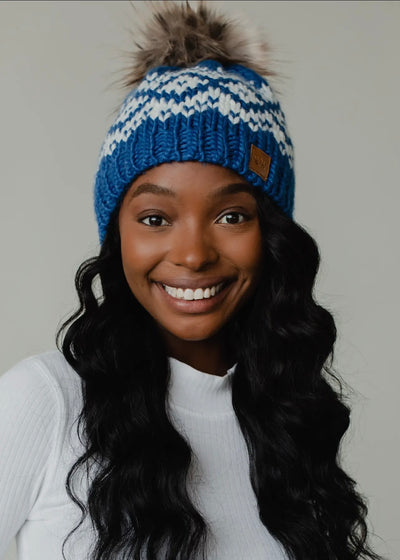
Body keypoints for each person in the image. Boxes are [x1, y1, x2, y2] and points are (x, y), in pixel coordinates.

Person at [0, 2, 386, 560]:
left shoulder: (286, 421)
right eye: (155, 219)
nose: (193, 255)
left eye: (231, 216)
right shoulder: (45, 401)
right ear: (118, 237)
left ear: (272, 233)